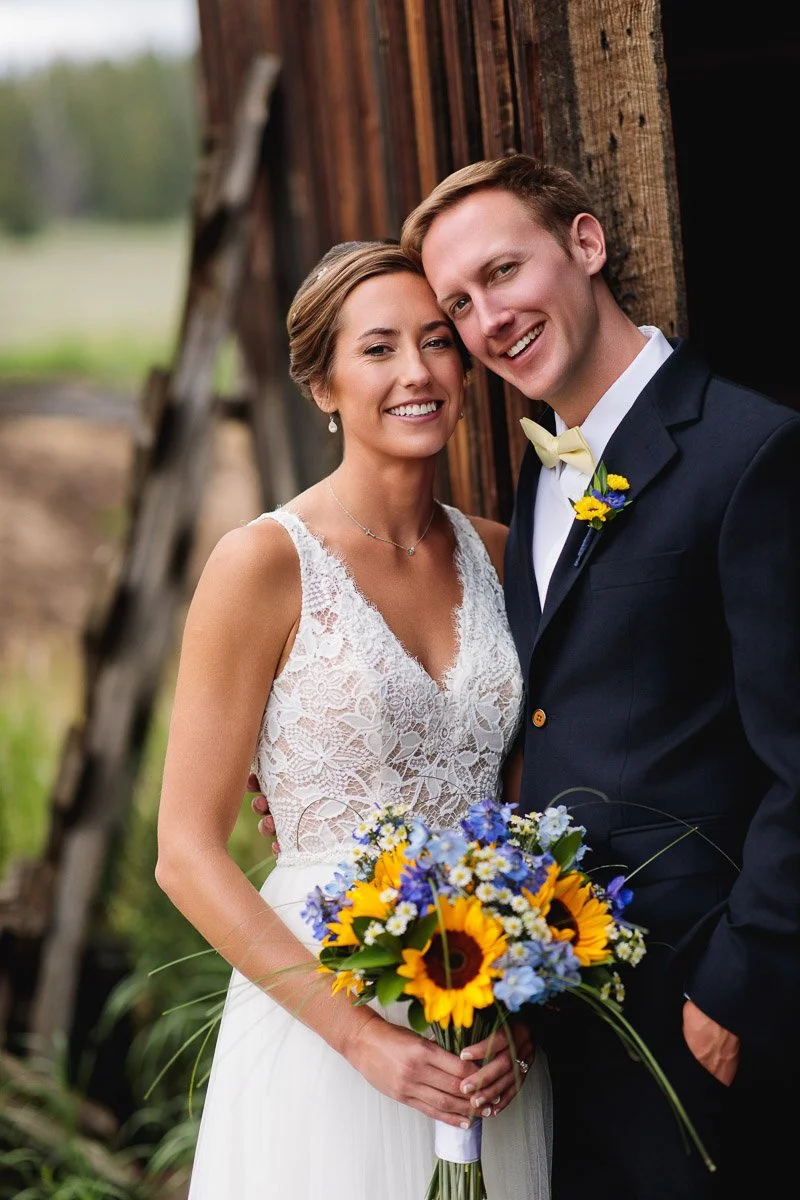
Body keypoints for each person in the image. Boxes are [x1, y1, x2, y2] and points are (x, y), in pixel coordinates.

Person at [253, 156, 800, 1198]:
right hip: (550, 1020)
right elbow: (537, 714)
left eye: (502, 274)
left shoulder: (746, 451)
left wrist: (737, 989)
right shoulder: (536, 483)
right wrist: (308, 760)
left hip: (697, 1009)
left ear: (585, 246)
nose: (485, 319)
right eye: (458, 302)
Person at [155, 239, 553, 1200]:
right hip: (324, 1019)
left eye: (437, 342)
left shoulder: (508, 558)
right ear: (323, 385)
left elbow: (531, 796)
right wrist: (362, 1039)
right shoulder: (261, 566)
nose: (416, 372)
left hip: (488, 1019)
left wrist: (529, 1016)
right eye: (378, 349)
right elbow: (185, 851)